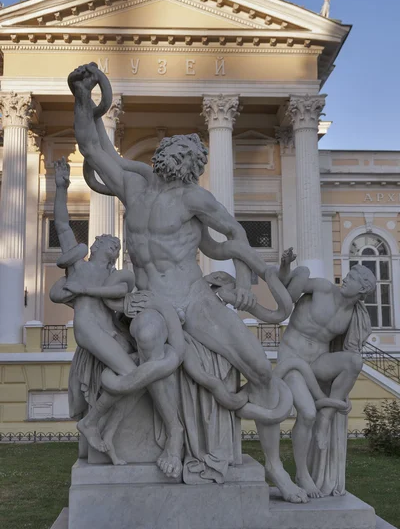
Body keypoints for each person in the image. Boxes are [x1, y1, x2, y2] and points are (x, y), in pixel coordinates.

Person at [67, 62, 307, 502]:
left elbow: (234, 236)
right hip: (153, 300)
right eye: (177, 151)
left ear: (193, 166)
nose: (181, 159)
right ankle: (174, 435)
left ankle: (275, 467)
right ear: (165, 155)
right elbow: (92, 145)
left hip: (194, 298)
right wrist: (82, 96)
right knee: (146, 335)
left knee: (258, 366)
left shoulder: (195, 198)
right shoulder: (132, 187)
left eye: (188, 156)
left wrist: (241, 283)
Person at [50, 157, 185, 476]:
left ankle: (104, 431)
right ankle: (92, 423)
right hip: (88, 329)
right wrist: (61, 188)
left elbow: (117, 299)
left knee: (134, 376)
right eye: (107, 241)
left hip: (109, 332)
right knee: (131, 375)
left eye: (114, 245)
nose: (111, 243)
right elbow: (62, 225)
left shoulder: (116, 277)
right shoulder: (78, 267)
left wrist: (83, 290)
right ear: (94, 246)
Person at [276, 256, 376, 498]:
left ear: (361, 290)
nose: (345, 279)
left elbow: (350, 351)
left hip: (319, 363)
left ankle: (327, 418)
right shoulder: (321, 287)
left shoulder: (354, 315)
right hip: (292, 358)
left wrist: (341, 393)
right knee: (308, 413)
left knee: (355, 361)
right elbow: (285, 290)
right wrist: (286, 266)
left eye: (351, 278)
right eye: (348, 275)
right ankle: (302, 474)